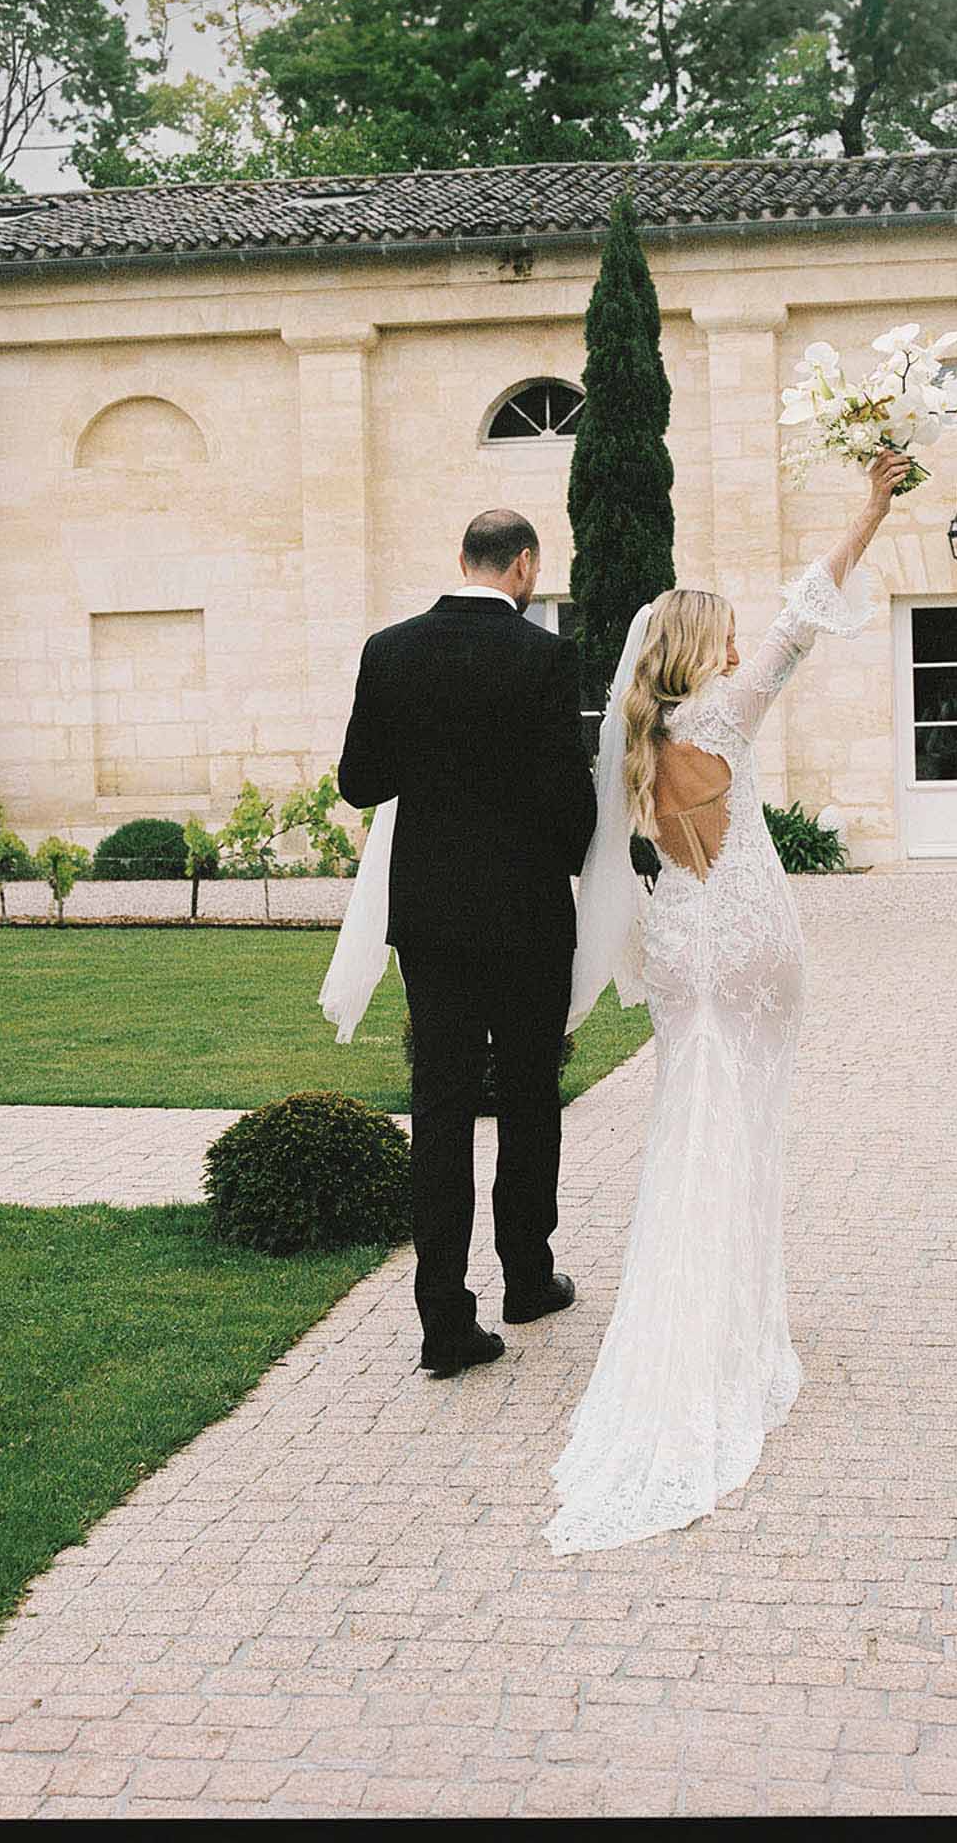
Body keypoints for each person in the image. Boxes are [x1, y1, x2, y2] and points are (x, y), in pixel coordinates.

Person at [544, 445, 910, 1554]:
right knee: (743, 1128)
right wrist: (871, 506)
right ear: (702, 646)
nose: (745, 642)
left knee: (683, 1126)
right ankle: (736, 1337)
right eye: (728, 633)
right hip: (749, 937)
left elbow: (618, 856)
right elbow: (809, 610)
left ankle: (702, 1318)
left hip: (678, 948)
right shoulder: (724, 716)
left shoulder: (634, 744)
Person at [328, 507, 598, 1379]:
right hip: (525, 918)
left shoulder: (389, 649)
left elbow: (360, 780)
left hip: (433, 922)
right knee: (528, 1096)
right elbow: (570, 803)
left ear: (461, 560)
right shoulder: (546, 657)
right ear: (523, 565)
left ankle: (444, 1322)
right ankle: (528, 1278)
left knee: (440, 1108)